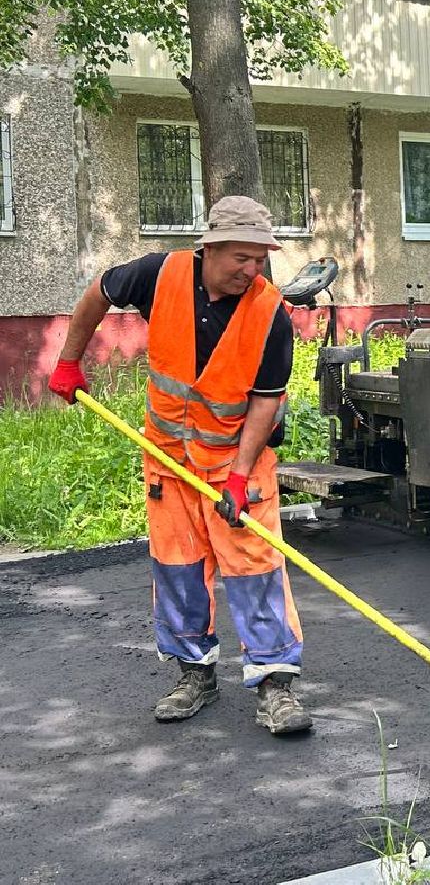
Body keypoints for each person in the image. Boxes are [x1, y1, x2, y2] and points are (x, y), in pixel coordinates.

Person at [47, 196, 311, 735]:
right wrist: (69, 360)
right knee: (177, 569)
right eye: (241, 257)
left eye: (260, 259)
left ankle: (274, 685)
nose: (251, 270)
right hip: (169, 462)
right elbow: (98, 291)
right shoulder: (158, 274)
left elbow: (266, 401)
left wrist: (238, 477)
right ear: (209, 247)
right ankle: (195, 673)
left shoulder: (270, 314)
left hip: (236, 466)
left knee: (255, 569)